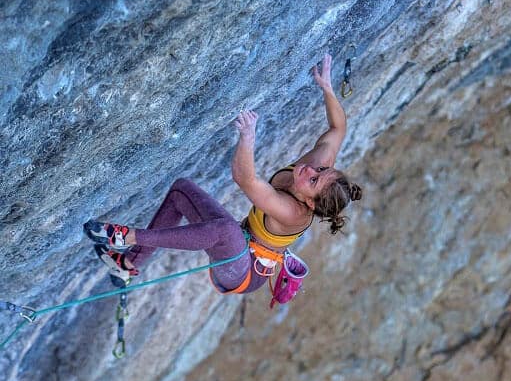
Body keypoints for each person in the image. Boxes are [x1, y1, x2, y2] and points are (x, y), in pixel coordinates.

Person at [85, 53, 362, 295]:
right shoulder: (317, 173)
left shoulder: (293, 213)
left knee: (226, 230)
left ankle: (128, 237)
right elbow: (338, 129)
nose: (311, 169)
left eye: (313, 179)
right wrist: (327, 88)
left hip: (243, 273)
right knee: (181, 191)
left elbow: (245, 180)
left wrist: (247, 138)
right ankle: (129, 264)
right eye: (321, 169)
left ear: (310, 203)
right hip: (237, 246)